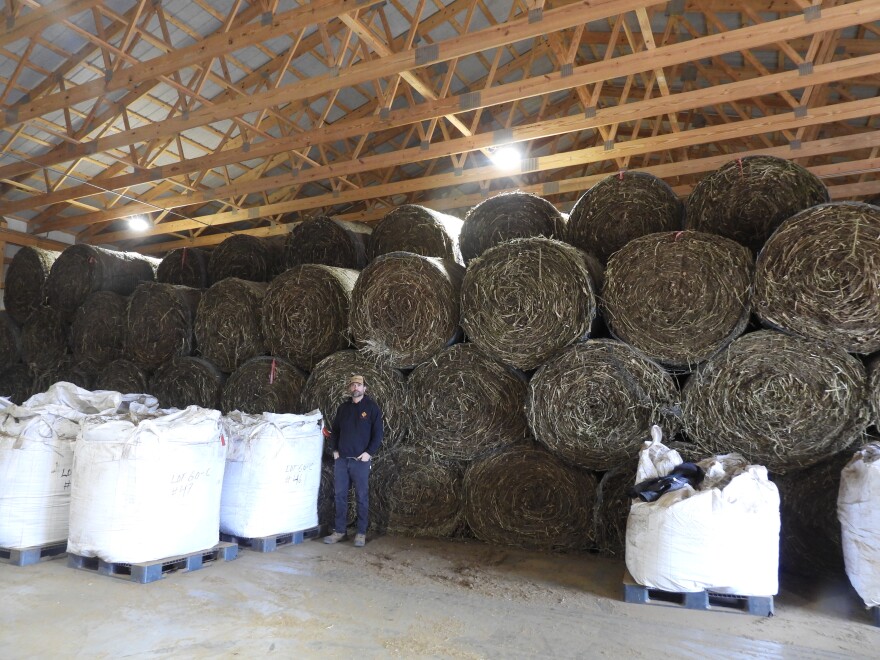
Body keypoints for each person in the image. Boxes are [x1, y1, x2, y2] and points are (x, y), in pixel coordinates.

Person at [323, 374, 383, 547]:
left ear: (365, 388)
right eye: (353, 385)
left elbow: (378, 434)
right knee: (340, 496)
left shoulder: (372, 408)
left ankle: (361, 533)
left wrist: (369, 453)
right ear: (350, 389)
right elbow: (335, 431)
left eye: (359, 385)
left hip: (360, 461)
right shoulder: (343, 408)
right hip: (342, 461)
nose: (355, 387)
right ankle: (340, 531)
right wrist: (334, 450)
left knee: (361, 497)